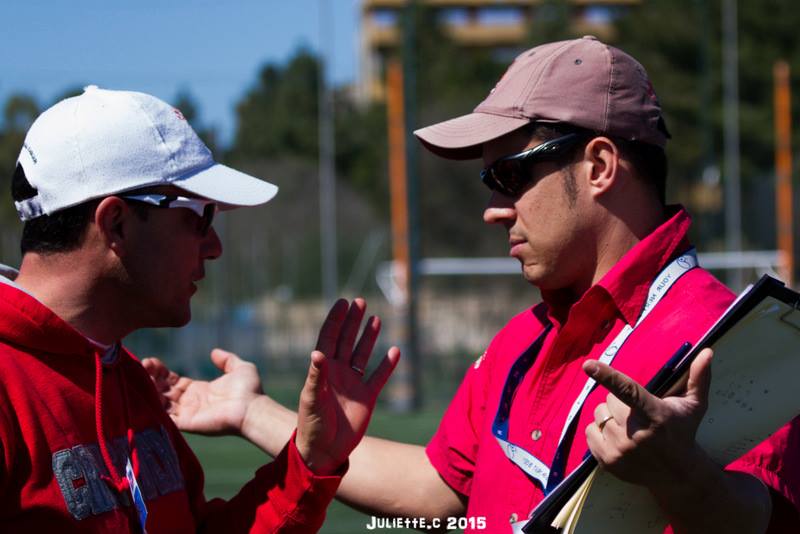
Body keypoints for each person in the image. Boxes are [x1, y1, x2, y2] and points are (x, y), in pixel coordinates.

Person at [145, 37, 800, 533]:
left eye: (509, 176)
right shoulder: (526, 337)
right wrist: (251, 413)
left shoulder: (730, 338)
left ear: (600, 165)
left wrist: (682, 474)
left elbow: (764, 518)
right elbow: (436, 487)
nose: (493, 207)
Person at [0, 85, 400, 533]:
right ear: (116, 223)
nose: (214, 246)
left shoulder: (126, 375)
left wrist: (311, 460)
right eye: (199, 216)